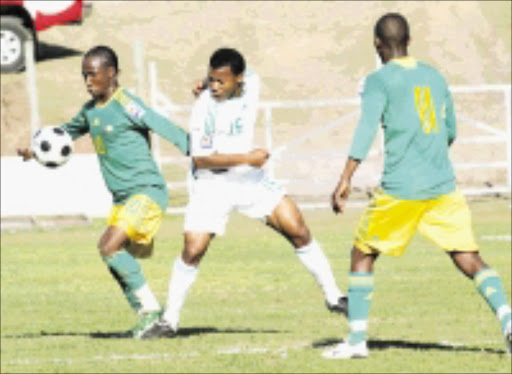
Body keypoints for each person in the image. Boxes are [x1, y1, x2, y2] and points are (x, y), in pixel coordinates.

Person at [322, 13, 512, 359]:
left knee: (362, 253)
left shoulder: (379, 80)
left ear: (377, 44)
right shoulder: (435, 76)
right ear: (408, 41)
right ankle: (508, 321)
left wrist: (345, 178)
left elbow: (366, 130)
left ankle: (357, 340)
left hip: (401, 189)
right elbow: (450, 129)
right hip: (443, 186)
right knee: (468, 257)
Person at [141, 47, 347, 338]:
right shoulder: (204, 106)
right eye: (210, 79)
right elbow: (201, 158)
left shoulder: (251, 86)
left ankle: (334, 297)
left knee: (298, 228)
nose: (213, 86)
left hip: (250, 181)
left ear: (239, 79)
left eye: (220, 81)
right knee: (193, 250)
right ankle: (169, 321)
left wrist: (249, 164)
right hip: (212, 184)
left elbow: (252, 73)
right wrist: (248, 158)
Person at [17, 45, 190, 338]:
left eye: (93, 74)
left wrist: (199, 153)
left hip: (146, 191)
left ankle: (152, 313)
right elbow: (65, 134)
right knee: (110, 252)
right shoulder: (89, 111)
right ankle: (146, 315)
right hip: (122, 199)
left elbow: (161, 125)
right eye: (84, 75)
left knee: (109, 245)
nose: (87, 81)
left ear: (112, 73)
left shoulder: (127, 104)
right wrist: (34, 152)